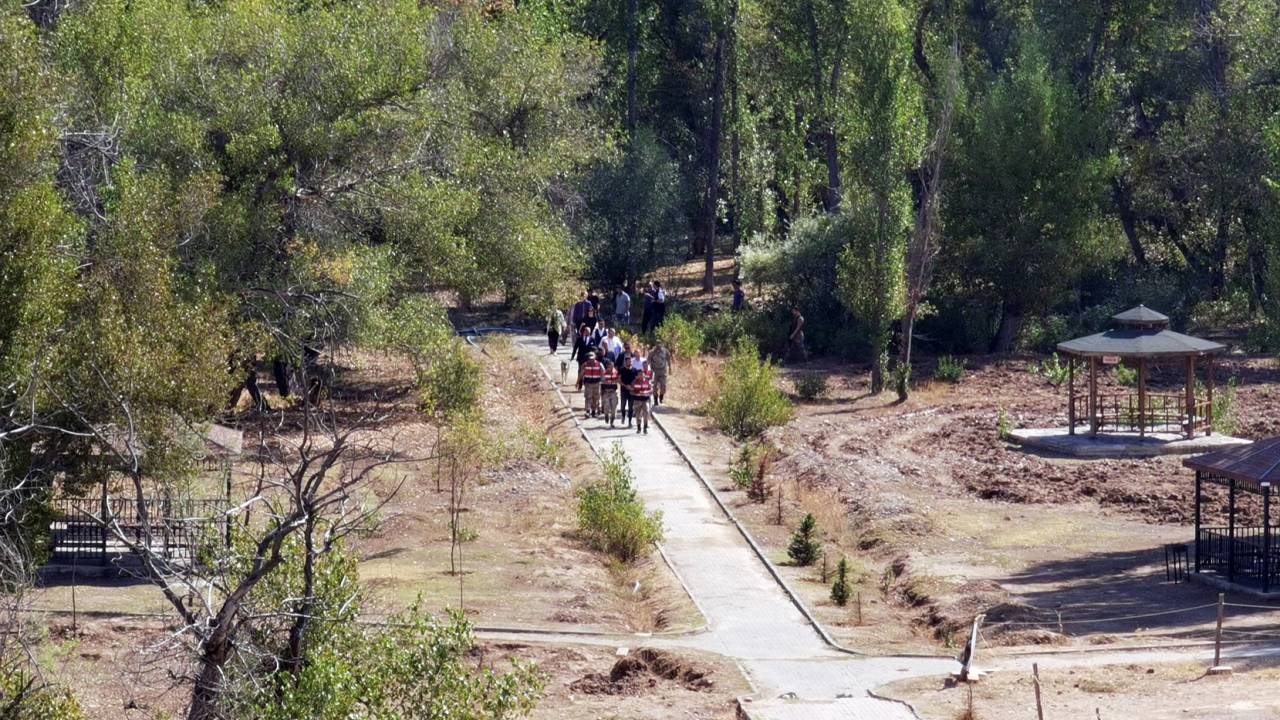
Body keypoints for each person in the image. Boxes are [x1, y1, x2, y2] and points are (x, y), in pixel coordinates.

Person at [577, 351, 604, 418]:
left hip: (596, 384)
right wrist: (578, 382)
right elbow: (581, 374)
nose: (591, 360)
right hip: (588, 384)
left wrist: (603, 382)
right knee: (588, 397)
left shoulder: (599, 364)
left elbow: (603, 373)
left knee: (596, 398)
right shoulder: (585, 365)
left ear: (595, 357)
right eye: (590, 358)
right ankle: (588, 411)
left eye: (592, 358)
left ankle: (594, 411)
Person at [629, 365, 653, 434]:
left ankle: (645, 428)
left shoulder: (647, 382)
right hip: (637, 400)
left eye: (642, 374)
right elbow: (631, 391)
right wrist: (637, 394)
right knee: (638, 415)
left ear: (644, 375)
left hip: (645, 400)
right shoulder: (634, 382)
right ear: (637, 376)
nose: (641, 376)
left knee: (646, 413)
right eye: (639, 374)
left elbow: (651, 390)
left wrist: (646, 392)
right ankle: (639, 427)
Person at [648, 341, 671, 406]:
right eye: (657, 344)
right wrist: (648, 369)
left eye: (660, 344)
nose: (658, 346)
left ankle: (661, 397)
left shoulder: (665, 351)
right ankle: (655, 400)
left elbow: (668, 359)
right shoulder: (652, 352)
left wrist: (670, 368)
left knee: (663, 385)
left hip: (663, 371)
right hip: (654, 371)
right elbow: (648, 360)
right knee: (654, 386)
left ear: (661, 344)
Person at [618, 354, 638, 427]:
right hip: (624, 390)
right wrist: (625, 386)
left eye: (630, 361)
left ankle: (630, 421)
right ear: (625, 362)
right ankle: (623, 415)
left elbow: (636, 379)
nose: (629, 362)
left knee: (631, 407)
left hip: (632, 391)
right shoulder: (621, 369)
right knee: (623, 406)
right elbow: (619, 380)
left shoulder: (634, 370)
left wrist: (632, 386)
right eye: (628, 361)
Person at [600, 358, 620, 427]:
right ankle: (606, 415)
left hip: (613, 392)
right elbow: (602, 382)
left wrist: (613, 381)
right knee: (606, 407)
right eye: (610, 366)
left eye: (612, 366)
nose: (611, 367)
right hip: (606, 392)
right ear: (607, 366)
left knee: (614, 408)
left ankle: (612, 421)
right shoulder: (604, 373)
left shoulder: (616, 372)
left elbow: (618, 380)